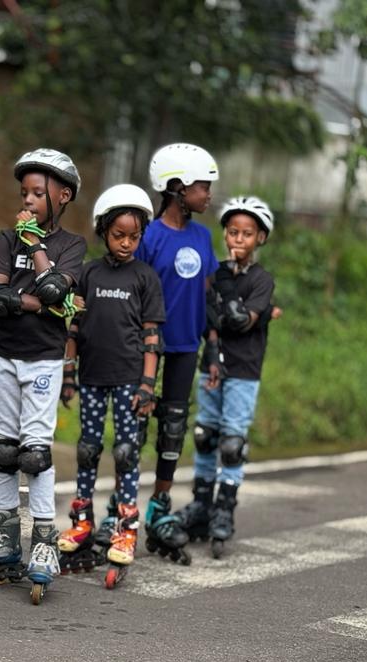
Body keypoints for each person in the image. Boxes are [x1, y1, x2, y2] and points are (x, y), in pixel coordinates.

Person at [0, 148, 86, 606]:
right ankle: (6, 535)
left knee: (35, 451)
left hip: (44, 358)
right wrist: (27, 296)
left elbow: (55, 289)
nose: (28, 200)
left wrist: (34, 251)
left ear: (63, 195)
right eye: (24, 192)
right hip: (6, 353)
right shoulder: (5, 238)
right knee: (5, 448)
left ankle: (46, 542)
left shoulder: (71, 246)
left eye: (39, 192)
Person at [57, 185, 164, 589]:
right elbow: (73, 327)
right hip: (92, 376)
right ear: (104, 231)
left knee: (125, 451)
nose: (125, 243)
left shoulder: (145, 277)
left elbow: (152, 336)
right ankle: (82, 521)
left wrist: (148, 385)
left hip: (128, 379)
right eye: (118, 235)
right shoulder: (88, 272)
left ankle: (124, 526)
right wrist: (69, 374)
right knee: (87, 447)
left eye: (133, 236)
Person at [177, 196, 276, 558]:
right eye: (233, 232)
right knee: (205, 435)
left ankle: (224, 511)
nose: (238, 239)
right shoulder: (213, 273)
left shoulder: (262, 280)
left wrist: (225, 283)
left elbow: (238, 319)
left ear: (260, 238)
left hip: (244, 371)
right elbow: (207, 319)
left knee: (232, 443)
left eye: (247, 234)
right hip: (212, 366)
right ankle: (202, 505)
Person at [135, 143, 220, 566]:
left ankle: (160, 507)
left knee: (173, 426)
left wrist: (214, 349)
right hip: (147, 345)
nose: (209, 194)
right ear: (176, 188)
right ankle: (123, 508)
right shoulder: (148, 236)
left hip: (188, 344)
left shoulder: (204, 237)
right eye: (203, 186)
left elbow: (208, 294)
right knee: (136, 425)